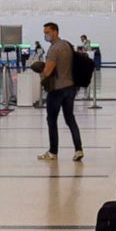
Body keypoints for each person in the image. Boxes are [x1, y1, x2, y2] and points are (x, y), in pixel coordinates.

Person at [36, 22, 84, 161]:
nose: (46, 35)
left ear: (55, 32)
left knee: (52, 120)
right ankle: (78, 149)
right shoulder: (67, 45)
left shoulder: (54, 49)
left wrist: (40, 69)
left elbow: (48, 71)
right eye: (45, 32)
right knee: (70, 119)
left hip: (57, 90)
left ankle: (53, 152)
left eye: (48, 32)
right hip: (70, 87)